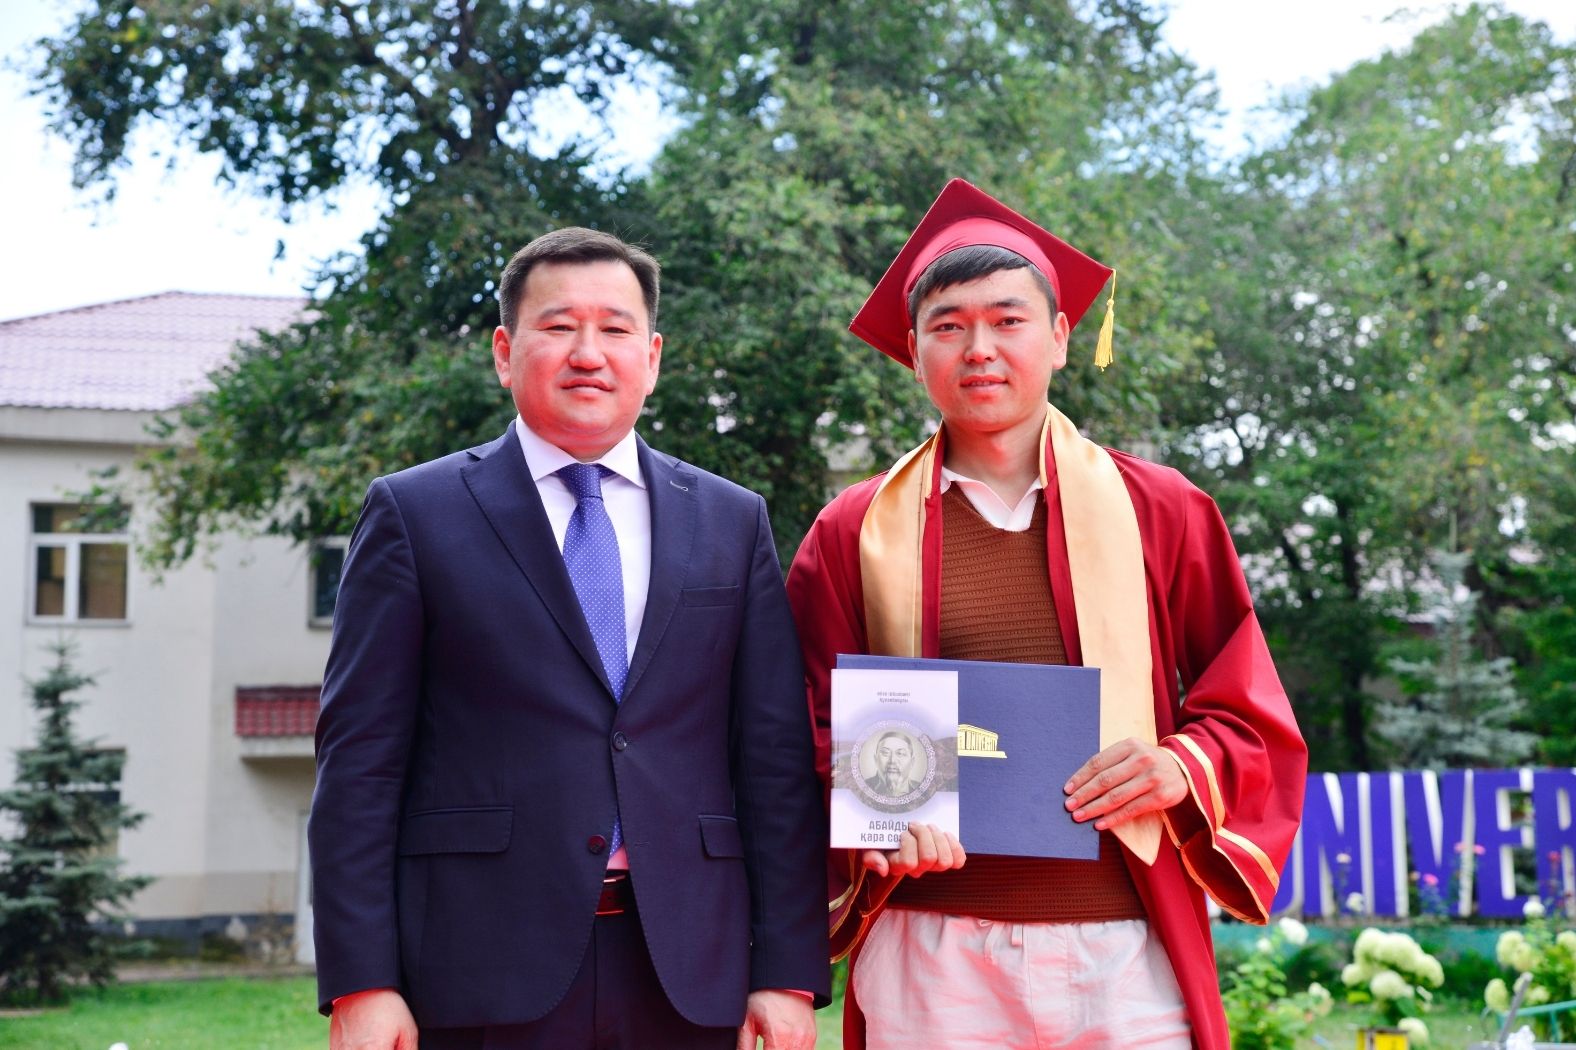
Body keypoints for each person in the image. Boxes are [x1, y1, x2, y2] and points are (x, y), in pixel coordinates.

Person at [786, 180, 1307, 1050]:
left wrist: (1180, 765)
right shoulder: (854, 530)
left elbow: (1246, 705)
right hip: (930, 955)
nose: (979, 349)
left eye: (1009, 320)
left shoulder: (1162, 510)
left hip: (1126, 952)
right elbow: (803, 727)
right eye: (948, 326)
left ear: (1062, 337)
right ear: (912, 349)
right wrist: (871, 822)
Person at [310, 227, 829, 1050]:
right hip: (478, 968)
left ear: (651, 358)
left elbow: (773, 762)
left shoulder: (731, 521)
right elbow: (360, 762)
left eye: (615, 329)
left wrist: (787, 971)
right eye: (558, 327)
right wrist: (362, 980)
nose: (589, 353)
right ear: (504, 351)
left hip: (691, 970)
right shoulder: (416, 514)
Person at [865, 732, 922, 797]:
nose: (892, 760)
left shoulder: (922, 790)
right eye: (885, 753)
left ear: (912, 762)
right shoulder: (863, 788)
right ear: (876, 760)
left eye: (900, 753)